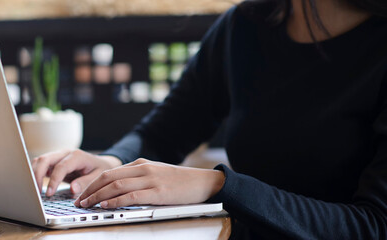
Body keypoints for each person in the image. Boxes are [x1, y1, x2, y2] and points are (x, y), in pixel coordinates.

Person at [31, 0, 387, 238]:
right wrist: (110, 162)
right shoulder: (246, 25)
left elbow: (374, 226)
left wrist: (217, 186)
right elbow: (164, 132)